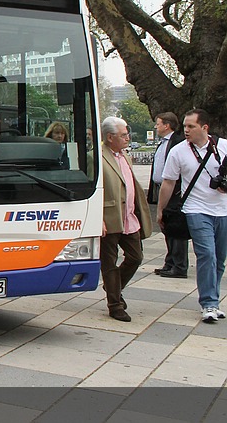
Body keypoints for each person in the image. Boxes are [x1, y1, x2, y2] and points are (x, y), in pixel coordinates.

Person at [157, 108, 227, 324]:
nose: (185, 130)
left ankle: (213, 298)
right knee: (207, 254)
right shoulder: (178, 151)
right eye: (185, 126)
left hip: (223, 210)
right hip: (195, 209)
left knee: (220, 258)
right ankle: (209, 303)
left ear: (204, 127)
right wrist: (161, 210)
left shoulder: (223, 146)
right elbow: (168, 182)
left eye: (191, 126)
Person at [100, 116, 152, 322]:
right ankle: (115, 304)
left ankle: (113, 286)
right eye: (123, 135)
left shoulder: (125, 156)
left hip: (129, 218)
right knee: (109, 263)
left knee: (135, 257)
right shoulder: (97, 156)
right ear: (110, 137)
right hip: (110, 218)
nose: (127, 138)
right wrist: (98, 218)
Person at [149, 112, 187, 278]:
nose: (156, 127)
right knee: (166, 227)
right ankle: (170, 262)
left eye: (158, 124)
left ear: (167, 125)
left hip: (175, 191)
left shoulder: (178, 142)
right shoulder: (162, 143)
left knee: (176, 227)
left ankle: (179, 265)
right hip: (161, 188)